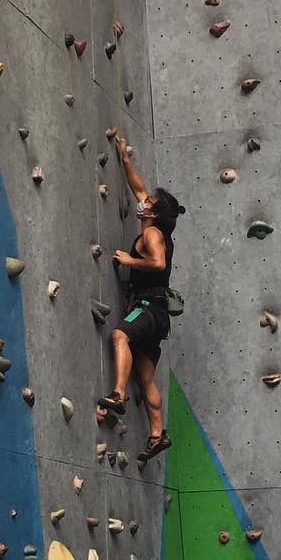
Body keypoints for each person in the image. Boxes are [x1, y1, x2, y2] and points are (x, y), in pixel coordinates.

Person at [97, 132, 182, 467]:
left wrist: (130, 261)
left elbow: (158, 264)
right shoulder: (154, 225)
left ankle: (117, 393)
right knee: (146, 376)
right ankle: (157, 434)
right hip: (157, 315)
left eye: (150, 201)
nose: (144, 201)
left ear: (155, 212)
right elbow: (139, 188)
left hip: (148, 306)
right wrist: (125, 157)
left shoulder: (151, 233)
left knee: (119, 336)